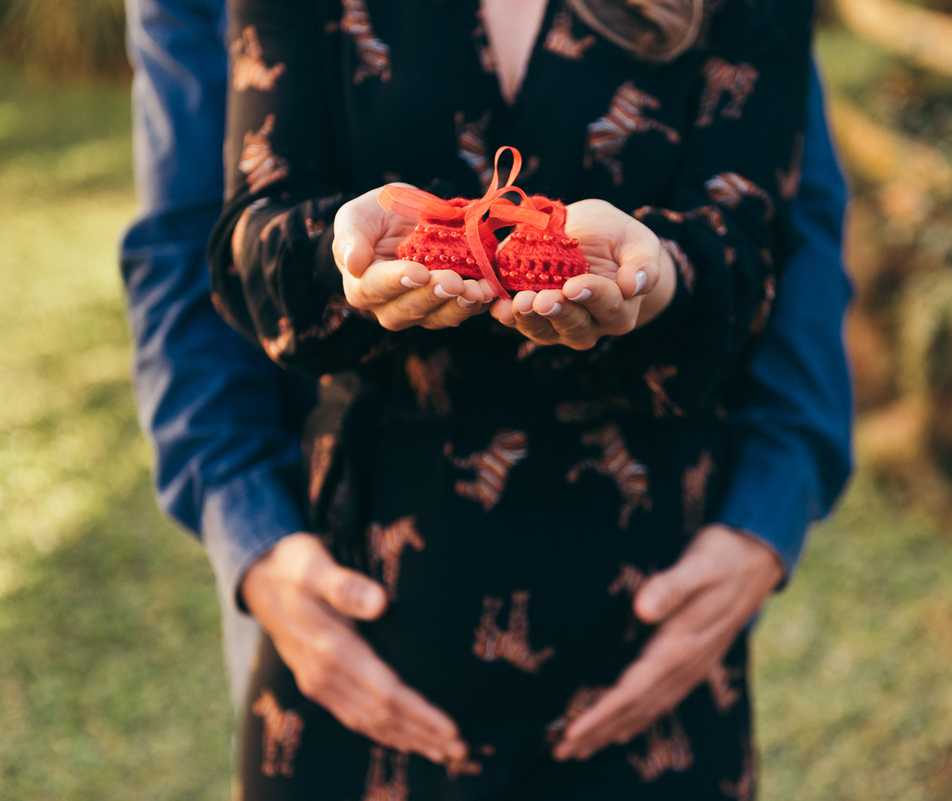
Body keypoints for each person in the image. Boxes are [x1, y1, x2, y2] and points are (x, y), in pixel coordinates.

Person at [120, 0, 853, 794]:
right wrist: (248, 527)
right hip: (360, 588)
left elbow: (779, 228)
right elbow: (200, 237)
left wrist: (769, 505)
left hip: (645, 611)